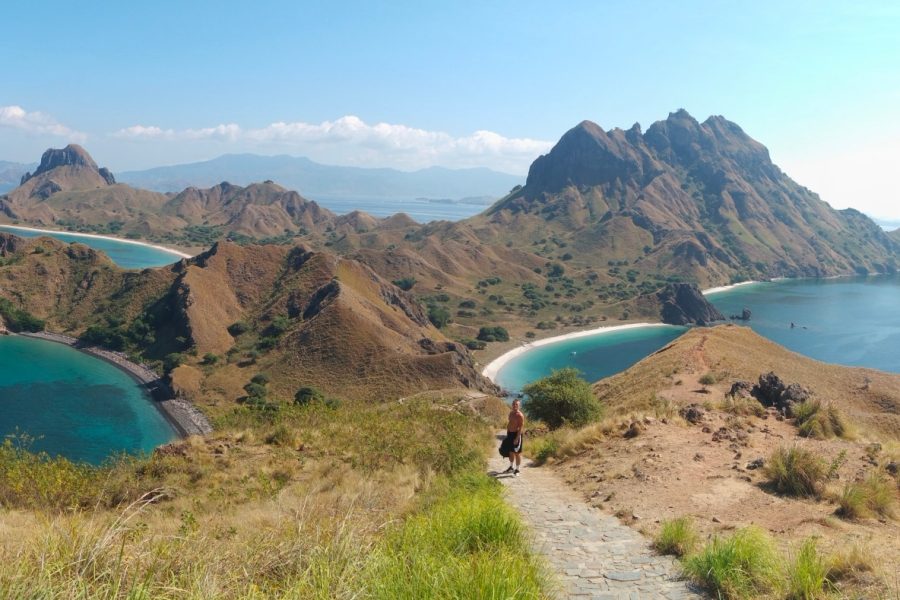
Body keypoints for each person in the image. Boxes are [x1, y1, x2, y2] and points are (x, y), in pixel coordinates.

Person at [503, 398, 525, 476]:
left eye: (517, 404)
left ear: (519, 406)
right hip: (510, 434)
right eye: (513, 404)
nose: (515, 406)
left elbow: (521, 428)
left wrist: (517, 438)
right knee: (510, 452)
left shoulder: (520, 415)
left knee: (517, 453)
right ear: (512, 405)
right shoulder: (511, 413)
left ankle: (517, 469)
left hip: (516, 435)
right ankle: (511, 467)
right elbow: (510, 423)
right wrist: (508, 433)